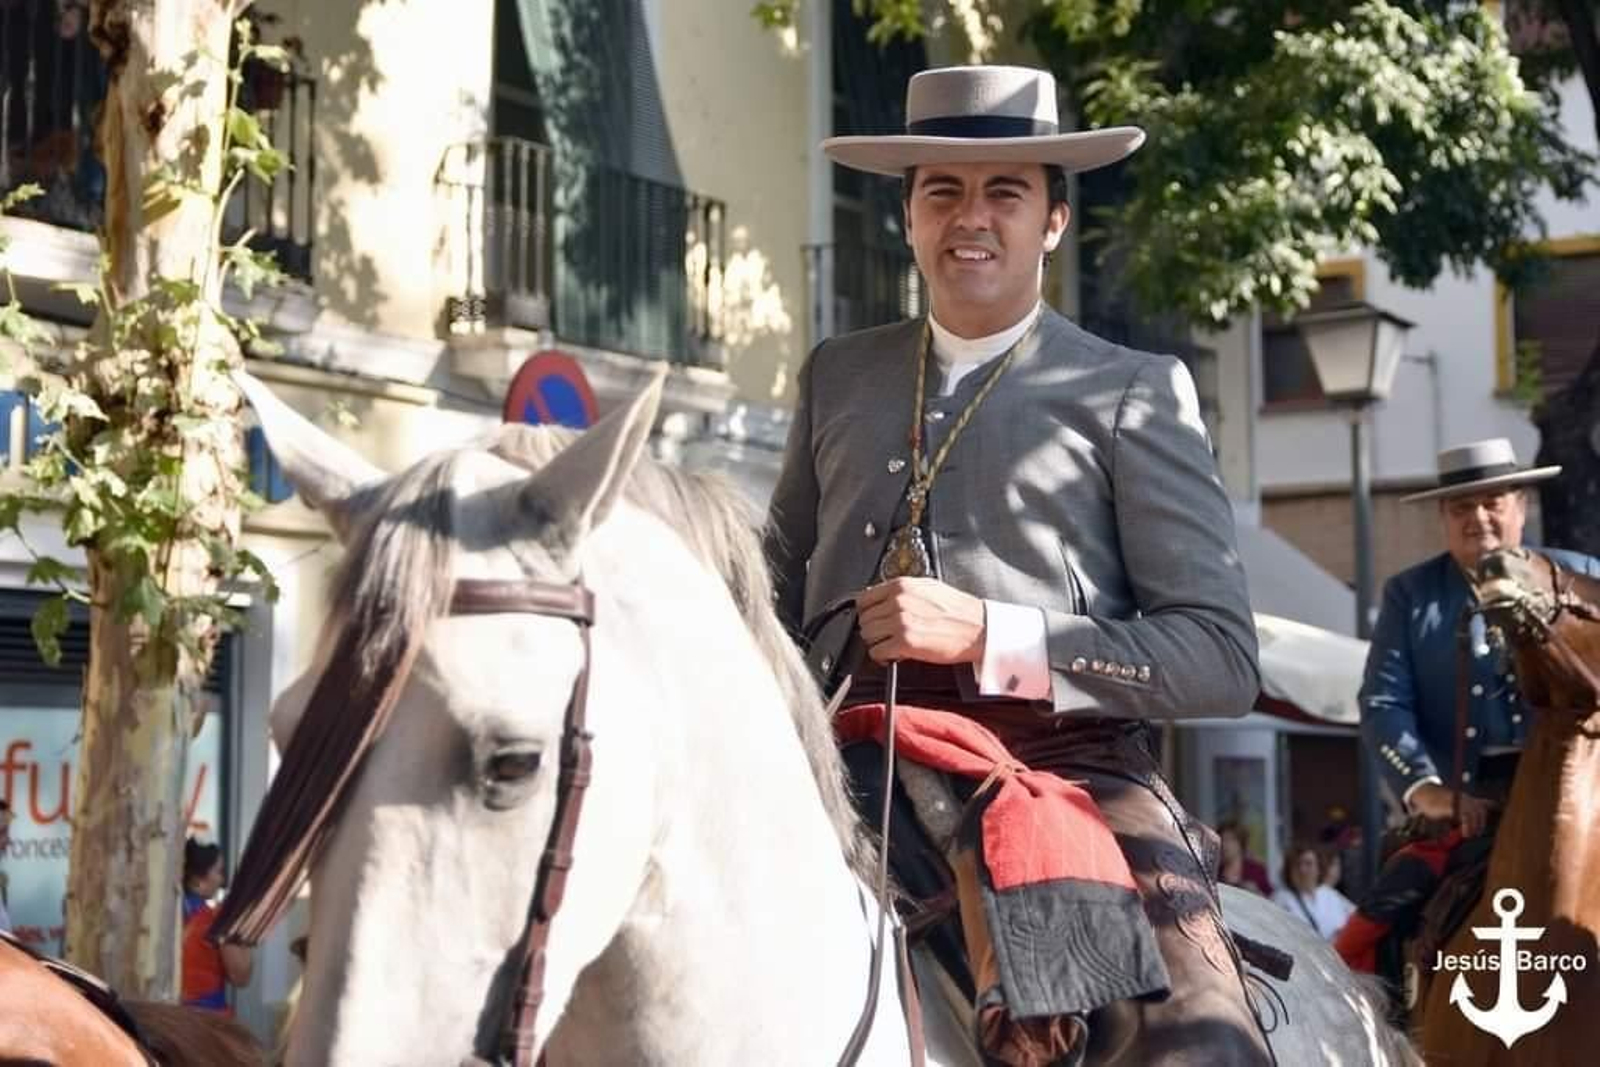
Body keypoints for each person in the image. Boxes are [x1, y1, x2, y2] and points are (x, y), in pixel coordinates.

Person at [765, 64, 1270, 1065]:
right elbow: (771, 586)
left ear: (1052, 219)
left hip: (1057, 773)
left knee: (1196, 1040)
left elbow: (1217, 658)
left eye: (1004, 191)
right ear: (907, 215)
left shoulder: (1132, 389)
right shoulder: (838, 371)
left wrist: (995, 634)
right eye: (941, 191)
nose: (971, 218)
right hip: (833, 758)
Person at [1334, 439, 1600, 974]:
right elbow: (1383, 700)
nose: (1478, 517)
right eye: (1461, 507)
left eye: (1492, 501)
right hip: (1465, 809)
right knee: (1375, 932)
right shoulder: (1411, 594)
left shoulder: (1583, 575)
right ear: (1443, 517)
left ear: (1520, 507)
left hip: (1581, 792)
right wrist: (1427, 790)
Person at [181, 838, 253, 1013]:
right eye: (219, 872)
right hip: (207, 1023)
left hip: (171, 1018)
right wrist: (243, 937)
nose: (222, 881)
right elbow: (240, 975)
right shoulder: (216, 918)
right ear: (198, 879)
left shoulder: (172, 912)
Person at [1273, 845, 1354, 939]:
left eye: (1308, 864)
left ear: (1318, 868)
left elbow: (1356, 916)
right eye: (1297, 864)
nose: (1303, 870)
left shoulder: (1331, 895)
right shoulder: (1281, 899)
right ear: (1289, 870)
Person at [1217, 819, 1273, 896]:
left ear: (1241, 842)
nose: (1225, 845)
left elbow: (1271, 899)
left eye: (1230, 840)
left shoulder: (1256, 870)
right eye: (1222, 839)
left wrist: (1257, 892)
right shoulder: (1215, 872)